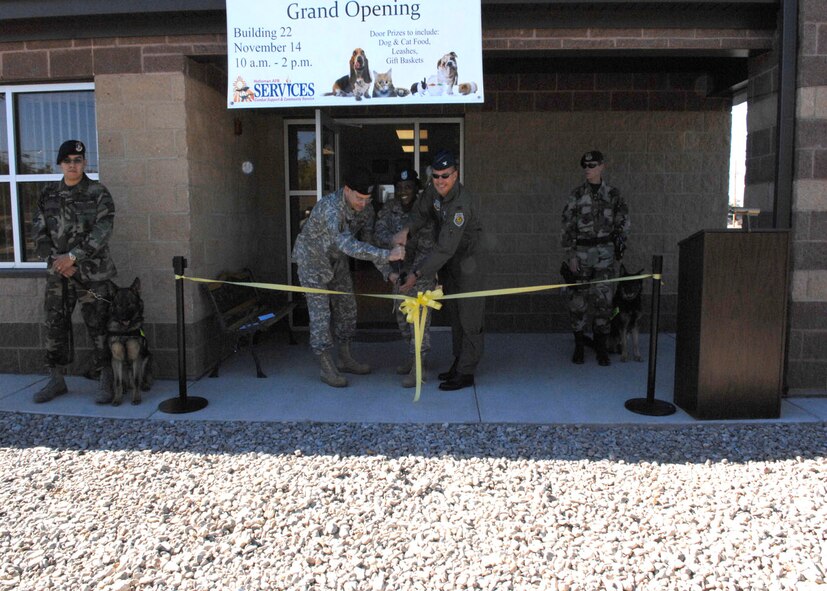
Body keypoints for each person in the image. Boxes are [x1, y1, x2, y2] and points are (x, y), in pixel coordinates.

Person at [292, 167, 405, 387]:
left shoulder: (367, 209)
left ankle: (344, 358)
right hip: (312, 262)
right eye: (359, 198)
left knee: (348, 308)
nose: (363, 203)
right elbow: (348, 244)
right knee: (321, 316)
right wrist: (388, 255)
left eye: (368, 198)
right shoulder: (330, 208)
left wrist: (387, 272)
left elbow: (367, 242)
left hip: (337, 260)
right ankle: (326, 367)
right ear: (347, 190)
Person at [31, 140, 117, 403]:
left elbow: (103, 230)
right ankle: (56, 379)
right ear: (60, 163)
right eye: (67, 160)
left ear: (84, 163)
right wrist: (57, 261)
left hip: (92, 274)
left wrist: (73, 257)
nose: (72, 165)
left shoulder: (97, 192)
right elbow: (38, 230)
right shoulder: (48, 194)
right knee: (54, 326)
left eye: (77, 160)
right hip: (59, 276)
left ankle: (106, 380)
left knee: (99, 326)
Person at [394, 150, 486, 391]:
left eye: (445, 175)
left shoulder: (461, 204)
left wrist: (417, 275)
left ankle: (466, 373)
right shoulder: (433, 192)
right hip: (450, 263)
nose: (440, 181)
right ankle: (459, 363)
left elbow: (445, 247)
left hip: (469, 263)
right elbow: (420, 213)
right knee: (455, 315)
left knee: (469, 318)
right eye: (435, 176)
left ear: (455, 175)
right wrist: (407, 231)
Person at [561, 150, 629, 366]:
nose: (588, 170)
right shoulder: (577, 195)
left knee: (604, 303)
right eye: (585, 166)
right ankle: (579, 346)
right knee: (578, 303)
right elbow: (567, 225)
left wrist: (618, 244)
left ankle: (601, 347)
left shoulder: (614, 195)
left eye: (592, 166)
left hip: (605, 256)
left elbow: (624, 222)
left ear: (602, 167)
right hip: (581, 254)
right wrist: (571, 254)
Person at [374, 167, 437, 388]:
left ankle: (418, 368)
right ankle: (413, 359)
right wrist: (395, 243)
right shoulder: (389, 209)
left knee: (418, 323)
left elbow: (428, 249)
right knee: (402, 321)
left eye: (408, 187)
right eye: (399, 188)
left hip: (420, 273)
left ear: (416, 188)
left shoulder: (423, 211)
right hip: (398, 272)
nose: (403, 192)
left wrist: (414, 275)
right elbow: (378, 235)